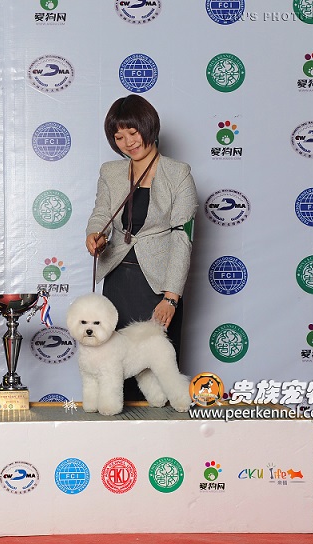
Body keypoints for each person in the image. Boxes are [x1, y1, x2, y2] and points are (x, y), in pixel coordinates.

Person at [85, 94, 197, 400]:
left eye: (133, 133)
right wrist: (95, 233)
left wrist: (171, 298)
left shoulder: (178, 174)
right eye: (119, 137)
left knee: (159, 372)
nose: (128, 143)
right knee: (112, 369)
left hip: (158, 287)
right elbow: (101, 212)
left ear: (149, 127)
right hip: (118, 282)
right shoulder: (110, 171)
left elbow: (182, 237)